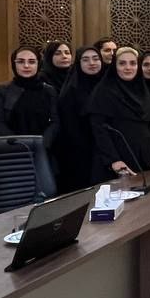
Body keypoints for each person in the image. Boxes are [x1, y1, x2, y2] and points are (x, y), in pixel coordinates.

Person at [88, 47, 150, 180]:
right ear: (115, 66)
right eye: (122, 63)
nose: (128, 67)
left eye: (133, 63)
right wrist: (114, 160)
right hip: (118, 161)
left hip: (144, 160)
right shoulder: (103, 91)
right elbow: (99, 130)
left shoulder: (143, 90)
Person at [0, 46, 59, 152]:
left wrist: (42, 144)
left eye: (31, 62)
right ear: (14, 64)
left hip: (43, 150)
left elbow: (55, 122)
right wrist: (19, 145)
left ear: (39, 64)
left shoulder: (49, 91)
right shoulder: (0, 91)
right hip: (10, 150)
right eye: (20, 61)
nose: (26, 66)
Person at [54, 46, 102, 192]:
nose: (92, 63)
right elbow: (69, 128)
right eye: (85, 60)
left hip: (104, 150)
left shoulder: (107, 86)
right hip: (79, 153)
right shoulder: (71, 90)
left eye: (96, 59)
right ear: (78, 64)